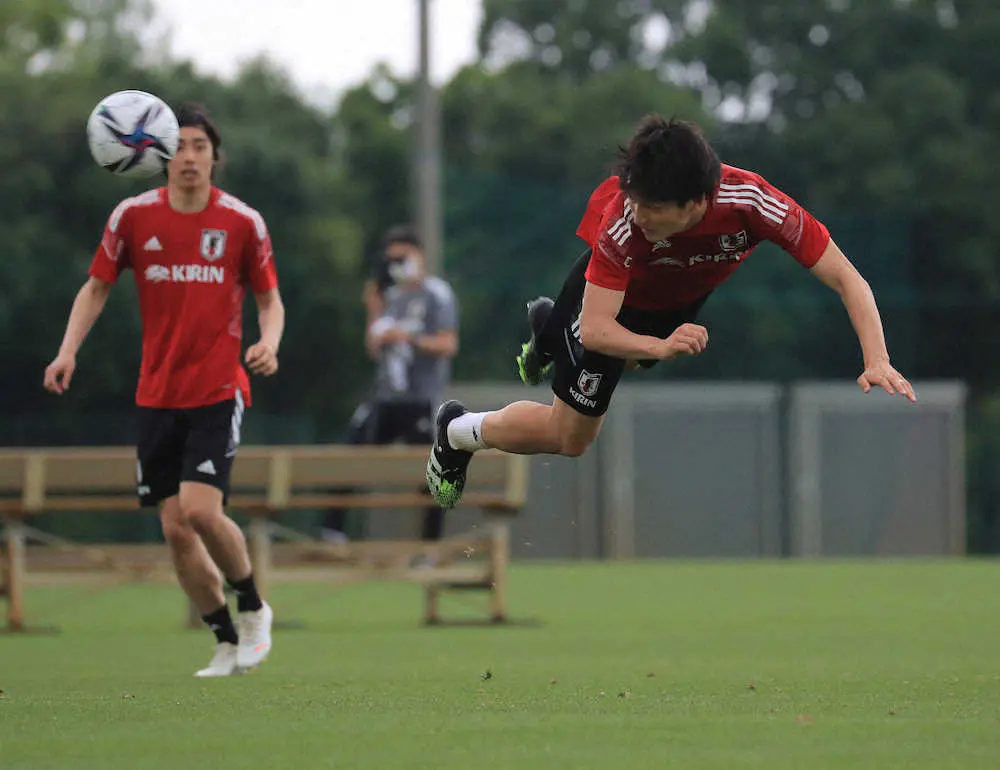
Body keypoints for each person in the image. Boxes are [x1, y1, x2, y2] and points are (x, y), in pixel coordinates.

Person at [425, 114, 916, 509]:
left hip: (673, 304)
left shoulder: (753, 203)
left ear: (697, 202)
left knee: (629, 360)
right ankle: (457, 429)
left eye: (653, 207)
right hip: (608, 302)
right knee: (569, 437)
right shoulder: (622, 223)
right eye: (634, 200)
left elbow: (848, 278)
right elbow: (599, 330)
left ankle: (552, 335)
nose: (638, 214)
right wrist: (659, 345)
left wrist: (877, 358)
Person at [43, 102, 284, 677]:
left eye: (200, 147)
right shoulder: (132, 218)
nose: (189, 158)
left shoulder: (241, 223)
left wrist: (269, 342)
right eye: (179, 148)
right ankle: (225, 640)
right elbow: (96, 288)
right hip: (155, 395)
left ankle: (253, 608)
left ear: (214, 158)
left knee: (201, 510)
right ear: (155, 156)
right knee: (175, 530)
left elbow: (269, 298)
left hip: (218, 389)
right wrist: (67, 349)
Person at [320, 226, 458, 547]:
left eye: (402, 257)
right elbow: (373, 348)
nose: (396, 264)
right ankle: (332, 532)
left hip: (420, 400)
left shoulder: (437, 294)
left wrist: (408, 338)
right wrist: (374, 308)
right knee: (348, 454)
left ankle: (429, 545)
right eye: (391, 259)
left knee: (432, 470)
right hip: (386, 398)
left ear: (419, 256)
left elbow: (448, 344)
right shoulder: (390, 296)